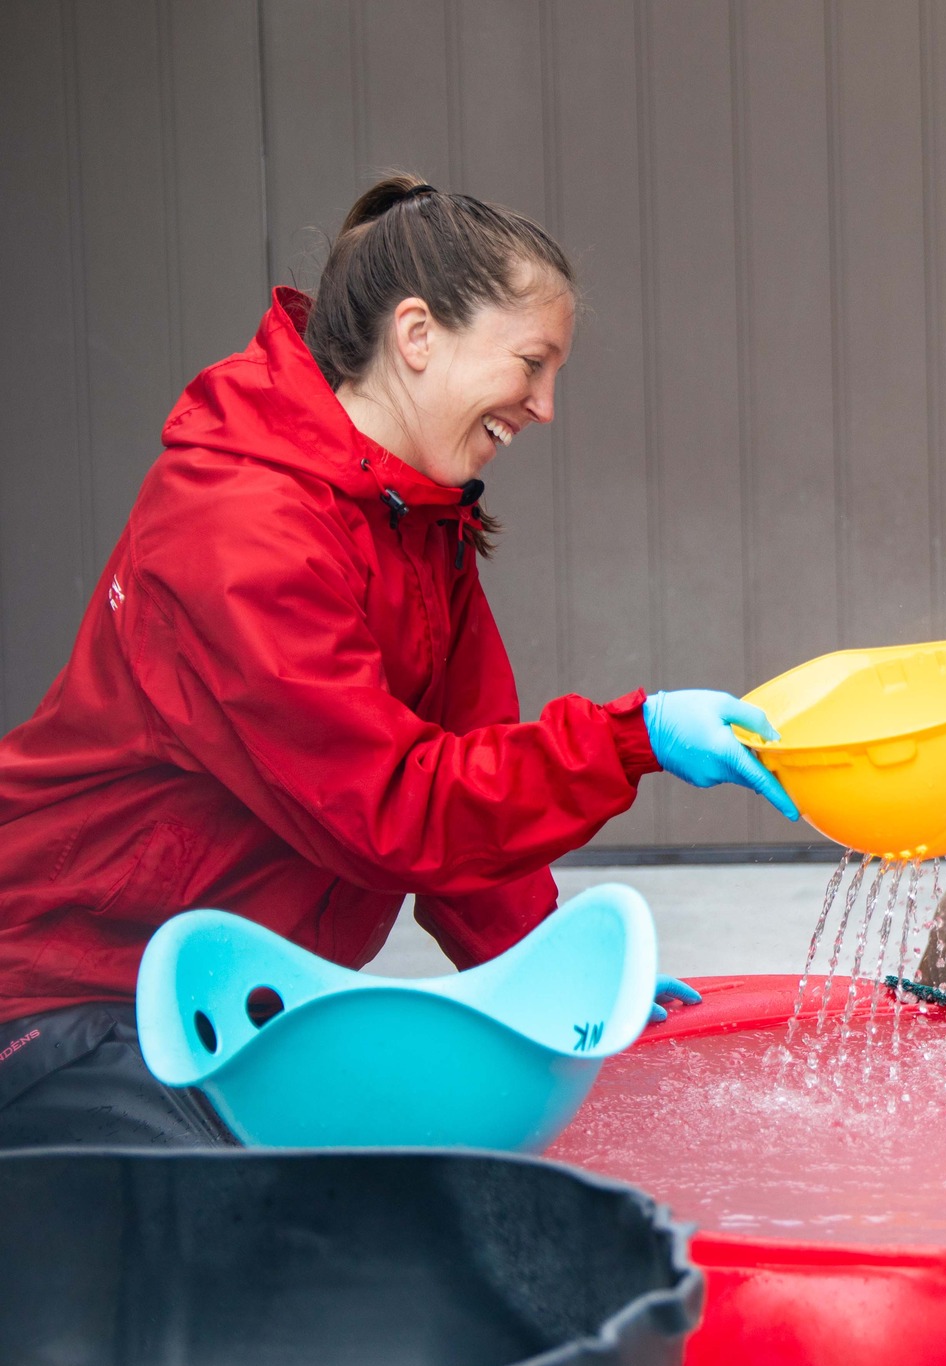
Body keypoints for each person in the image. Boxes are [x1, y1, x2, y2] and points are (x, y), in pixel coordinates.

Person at [0, 176, 799, 1146]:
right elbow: (394, 809)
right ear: (418, 336)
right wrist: (634, 740)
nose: (544, 407)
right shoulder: (238, 531)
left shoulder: (416, 521)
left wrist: (553, 978)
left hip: (218, 997)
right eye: (532, 364)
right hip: (65, 996)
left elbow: (468, 776)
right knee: (247, 1255)